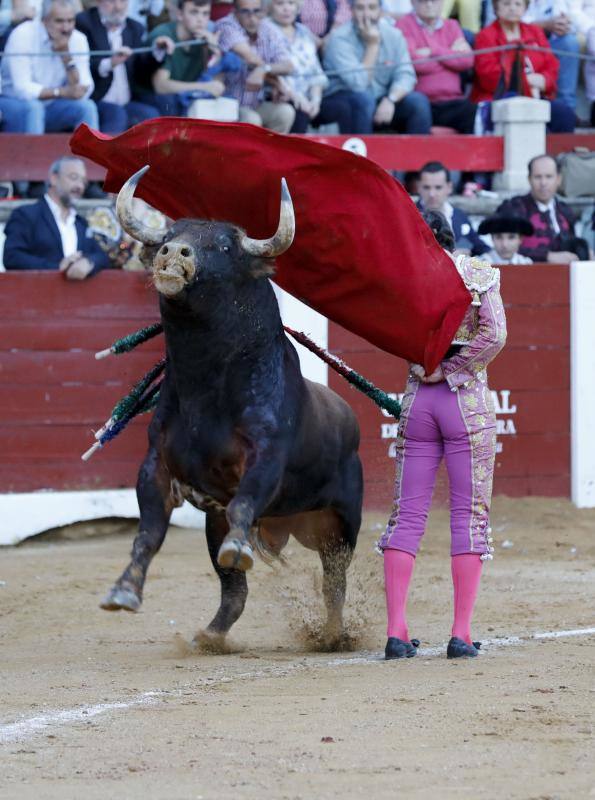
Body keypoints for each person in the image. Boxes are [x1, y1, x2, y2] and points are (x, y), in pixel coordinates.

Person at [377, 209, 506, 660]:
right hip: (463, 404)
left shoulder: (401, 282)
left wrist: (422, 364)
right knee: (468, 518)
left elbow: (386, 331)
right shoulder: (477, 273)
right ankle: (461, 635)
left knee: (406, 517)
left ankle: (396, 633)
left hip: (419, 405)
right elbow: (494, 335)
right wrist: (450, 370)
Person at [322, 0, 432, 135]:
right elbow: (359, 84)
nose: (366, 14)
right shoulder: (339, 39)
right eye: (360, 8)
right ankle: (360, 156)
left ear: (380, 11)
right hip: (344, 98)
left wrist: (391, 99)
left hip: (382, 98)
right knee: (363, 100)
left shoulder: (394, 35)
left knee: (418, 102)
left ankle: (416, 155)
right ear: (351, 11)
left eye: (372, 8)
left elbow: (406, 75)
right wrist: (372, 45)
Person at [471, 0, 575, 133]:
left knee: (564, 114)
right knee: (518, 111)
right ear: (496, 9)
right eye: (506, 4)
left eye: (518, 4)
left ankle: (558, 153)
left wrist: (544, 80)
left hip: (535, 97)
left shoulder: (535, 32)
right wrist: (527, 81)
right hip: (498, 99)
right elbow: (488, 77)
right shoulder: (485, 36)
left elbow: (551, 65)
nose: (512, 8)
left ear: (525, 8)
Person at [0, 0, 99, 132]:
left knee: (87, 107)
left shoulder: (78, 39)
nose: (66, 28)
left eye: (70, 21)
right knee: (34, 108)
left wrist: (66, 56)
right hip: (14, 102)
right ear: (44, 20)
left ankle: (92, 152)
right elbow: (22, 89)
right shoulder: (23, 34)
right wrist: (62, 92)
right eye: (59, 21)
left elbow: (84, 87)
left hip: (52, 104)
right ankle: (33, 153)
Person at [3, 156, 111, 277]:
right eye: (73, 177)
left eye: (83, 181)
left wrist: (89, 262)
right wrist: (57, 267)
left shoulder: (81, 223)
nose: (80, 186)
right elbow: (12, 257)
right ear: (54, 178)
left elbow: (102, 256)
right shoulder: (26, 215)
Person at [268, 0, 354, 133]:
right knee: (300, 113)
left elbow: (316, 73)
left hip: (309, 97)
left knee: (343, 107)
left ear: (297, 7)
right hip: (282, 96)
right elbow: (269, 72)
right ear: (270, 7)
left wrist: (315, 101)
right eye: (280, 4)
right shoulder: (265, 31)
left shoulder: (304, 32)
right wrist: (297, 98)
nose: (286, 8)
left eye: (290, 3)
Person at [76, 0, 161, 133]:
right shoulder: (84, 23)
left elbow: (141, 72)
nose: (118, 7)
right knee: (116, 113)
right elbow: (82, 64)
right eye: (112, 1)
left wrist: (157, 53)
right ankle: (104, 154)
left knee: (151, 115)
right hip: (96, 100)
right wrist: (110, 63)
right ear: (98, 2)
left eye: (122, 1)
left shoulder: (135, 28)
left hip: (126, 102)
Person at [147, 0, 241, 117]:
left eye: (205, 13)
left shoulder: (204, 38)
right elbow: (160, 86)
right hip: (151, 100)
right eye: (194, 12)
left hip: (180, 99)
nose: (200, 20)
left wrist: (215, 51)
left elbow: (215, 81)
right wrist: (204, 87)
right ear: (180, 14)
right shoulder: (165, 36)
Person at [397, 0, 476, 133]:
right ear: (412, 3)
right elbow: (413, 63)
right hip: (422, 102)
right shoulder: (403, 25)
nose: (429, 5)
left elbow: (467, 61)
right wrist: (450, 55)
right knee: (418, 107)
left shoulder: (452, 25)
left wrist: (433, 51)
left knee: (475, 113)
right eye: (423, 1)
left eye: (434, 1)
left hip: (453, 101)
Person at [215, 0, 296, 131]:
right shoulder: (226, 25)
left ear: (263, 11)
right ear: (235, 12)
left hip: (255, 103)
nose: (252, 17)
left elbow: (288, 65)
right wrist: (277, 83)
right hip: (227, 104)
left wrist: (264, 69)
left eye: (256, 11)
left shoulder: (267, 28)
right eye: (245, 11)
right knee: (251, 120)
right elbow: (249, 58)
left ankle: (271, 152)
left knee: (285, 112)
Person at [496, 154, 589, 262]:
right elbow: (504, 249)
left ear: (558, 179)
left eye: (549, 176)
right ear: (529, 179)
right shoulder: (513, 208)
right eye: (538, 177)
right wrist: (547, 256)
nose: (543, 183)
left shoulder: (565, 210)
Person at [417, 161, 490, 255]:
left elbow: (481, 248)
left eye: (438, 187)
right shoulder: (409, 216)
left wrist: (468, 253)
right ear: (418, 187)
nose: (432, 194)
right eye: (427, 187)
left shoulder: (459, 216)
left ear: (449, 187)